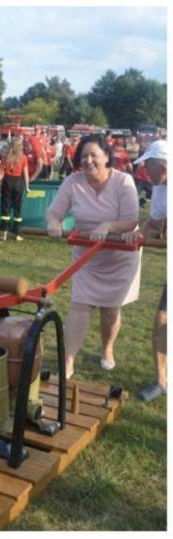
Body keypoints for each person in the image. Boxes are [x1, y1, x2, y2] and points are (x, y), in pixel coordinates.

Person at [46, 133, 141, 379]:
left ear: (106, 157)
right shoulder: (73, 182)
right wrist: (54, 223)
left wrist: (109, 225)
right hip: (87, 257)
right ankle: (67, 362)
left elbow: (131, 220)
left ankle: (107, 348)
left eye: (94, 155)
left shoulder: (124, 181)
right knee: (80, 306)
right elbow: (53, 213)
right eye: (84, 155)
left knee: (110, 310)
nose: (88, 161)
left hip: (120, 256)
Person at [124, 141, 167, 402]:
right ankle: (162, 381)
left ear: (161, 165)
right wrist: (134, 237)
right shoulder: (161, 190)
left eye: (147, 166)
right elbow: (155, 224)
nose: (144, 172)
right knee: (162, 319)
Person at [0, 137, 29, 242]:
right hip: (18, 182)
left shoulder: (6, 156)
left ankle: (4, 233)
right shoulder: (23, 157)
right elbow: (25, 173)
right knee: (17, 208)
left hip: (7, 182)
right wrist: (27, 186)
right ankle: (17, 234)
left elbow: (1, 173)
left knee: (5, 208)